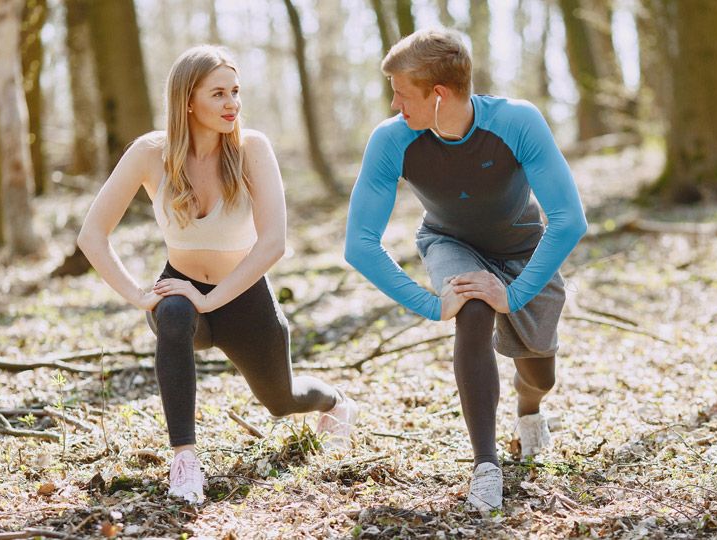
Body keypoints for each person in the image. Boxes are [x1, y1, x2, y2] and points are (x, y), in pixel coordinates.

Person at [78, 45, 357, 504]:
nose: (232, 104)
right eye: (218, 94)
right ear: (187, 101)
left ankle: (336, 402)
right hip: (181, 293)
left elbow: (274, 242)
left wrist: (211, 298)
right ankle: (185, 460)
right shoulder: (150, 153)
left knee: (281, 400)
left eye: (235, 92)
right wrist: (137, 295)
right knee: (171, 312)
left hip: (243, 297)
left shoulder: (252, 149)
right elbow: (92, 235)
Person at [344, 29, 587, 512]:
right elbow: (359, 244)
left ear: (439, 95)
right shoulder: (393, 140)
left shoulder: (517, 122)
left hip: (522, 249)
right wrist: (432, 304)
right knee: (471, 309)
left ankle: (530, 408)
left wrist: (514, 296)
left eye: (402, 93)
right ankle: (486, 466)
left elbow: (568, 220)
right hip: (449, 242)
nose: (394, 105)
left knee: (540, 370)